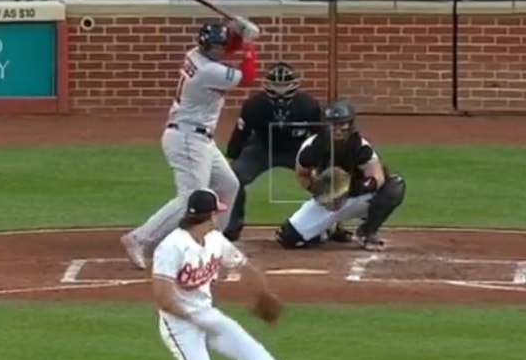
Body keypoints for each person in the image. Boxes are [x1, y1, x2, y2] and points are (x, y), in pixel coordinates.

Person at [151, 189, 337, 360]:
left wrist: (262, 292)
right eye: (216, 213)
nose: (218, 217)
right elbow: (164, 299)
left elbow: (245, 267)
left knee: (254, 352)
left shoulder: (215, 240)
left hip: (207, 315)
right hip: (179, 323)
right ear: (208, 216)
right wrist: (195, 318)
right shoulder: (171, 247)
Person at [121, 19, 260, 269]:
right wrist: (248, 44)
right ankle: (139, 238)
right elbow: (248, 76)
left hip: (200, 138)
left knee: (228, 184)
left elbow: (226, 50)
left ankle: (213, 241)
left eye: (222, 45)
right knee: (190, 198)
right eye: (216, 46)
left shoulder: (195, 55)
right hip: (187, 139)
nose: (220, 50)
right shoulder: (209, 72)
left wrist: (238, 34)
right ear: (205, 45)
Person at [274, 99, 408, 251]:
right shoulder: (312, 147)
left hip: (356, 195)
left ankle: (367, 232)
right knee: (288, 238)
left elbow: (377, 178)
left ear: (350, 124)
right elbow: (302, 175)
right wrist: (321, 193)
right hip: (328, 200)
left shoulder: (360, 146)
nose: (337, 129)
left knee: (394, 187)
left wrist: (350, 190)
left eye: (341, 124)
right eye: (333, 124)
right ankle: (327, 230)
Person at [220, 62, 324, 241]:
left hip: (297, 149)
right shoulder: (254, 105)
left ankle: (329, 224)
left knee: (327, 179)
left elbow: (320, 136)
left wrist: (322, 163)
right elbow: (240, 133)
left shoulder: (309, 106)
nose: (280, 89)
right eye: (276, 84)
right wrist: (232, 157)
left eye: (284, 85)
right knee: (233, 177)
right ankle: (232, 223)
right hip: (262, 147)